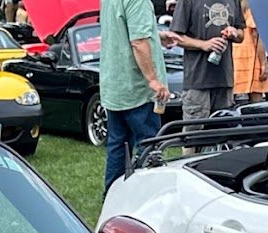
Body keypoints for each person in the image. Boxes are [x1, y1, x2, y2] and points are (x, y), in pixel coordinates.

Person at [99, 0, 171, 194]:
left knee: (118, 147)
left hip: (115, 85)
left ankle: (113, 198)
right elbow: (138, 42)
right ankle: (143, 198)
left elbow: (122, 32)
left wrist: (157, 36)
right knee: (148, 147)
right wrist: (153, 80)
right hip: (137, 89)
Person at [170, 0, 244, 122]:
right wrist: (203, 44)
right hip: (197, 81)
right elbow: (174, 38)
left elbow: (241, 34)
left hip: (224, 80)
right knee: (195, 135)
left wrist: (234, 33)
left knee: (224, 132)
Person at [232, 0, 268, 103]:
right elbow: (256, 35)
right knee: (256, 101)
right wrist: (264, 64)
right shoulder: (253, 8)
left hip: (235, 57)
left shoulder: (231, 6)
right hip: (251, 57)